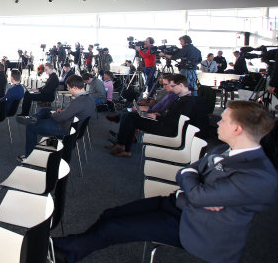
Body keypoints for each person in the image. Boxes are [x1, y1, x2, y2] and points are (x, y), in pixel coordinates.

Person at [53, 100, 278, 263]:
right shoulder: (223, 148)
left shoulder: (259, 176)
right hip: (180, 204)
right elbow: (187, 172)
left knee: (113, 227)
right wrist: (196, 186)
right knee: (110, 215)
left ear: (238, 129)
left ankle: (62, 250)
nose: (218, 122)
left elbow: (196, 189)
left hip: (197, 226)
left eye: (224, 120)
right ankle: (70, 250)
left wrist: (196, 187)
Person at [107, 74, 195, 158]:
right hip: (163, 122)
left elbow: (176, 121)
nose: (171, 88)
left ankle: (123, 147)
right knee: (129, 117)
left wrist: (157, 117)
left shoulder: (187, 101)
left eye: (173, 86)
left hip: (166, 128)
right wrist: (159, 115)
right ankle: (123, 146)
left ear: (181, 85)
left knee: (130, 118)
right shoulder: (182, 97)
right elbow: (172, 115)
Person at [16, 75, 95, 160]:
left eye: (69, 88)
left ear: (75, 87)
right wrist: (62, 111)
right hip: (70, 125)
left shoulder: (78, 101)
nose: (69, 90)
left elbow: (60, 118)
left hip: (64, 128)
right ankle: (33, 119)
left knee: (31, 127)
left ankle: (28, 156)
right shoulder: (89, 98)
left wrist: (54, 114)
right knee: (45, 109)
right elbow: (72, 112)